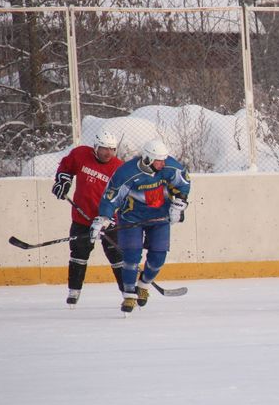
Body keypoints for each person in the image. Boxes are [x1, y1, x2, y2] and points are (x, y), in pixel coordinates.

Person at [91, 139, 191, 313]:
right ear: (146, 159)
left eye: (163, 159)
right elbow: (111, 197)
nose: (162, 163)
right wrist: (103, 218)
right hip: (131, 219)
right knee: (131, 258)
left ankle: (143, 285)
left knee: (159, 257)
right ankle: (129, 296)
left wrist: (180, 204)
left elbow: (183, 184)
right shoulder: (126, 173)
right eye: (158, 160)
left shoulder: (170, 167)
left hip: (159, 218)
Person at [52, 128, 125, 305]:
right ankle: (74, 291)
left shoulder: (119, 168)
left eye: (112, 149)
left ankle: (128, 293)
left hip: (109, 220)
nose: (108, 153)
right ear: (95, 147)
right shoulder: (81, 154)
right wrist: (63, 182)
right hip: (82, 217)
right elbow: (66, 167)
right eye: (104, 148)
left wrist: (108, 217)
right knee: (78, 253)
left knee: (118, 256)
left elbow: (122, 196)